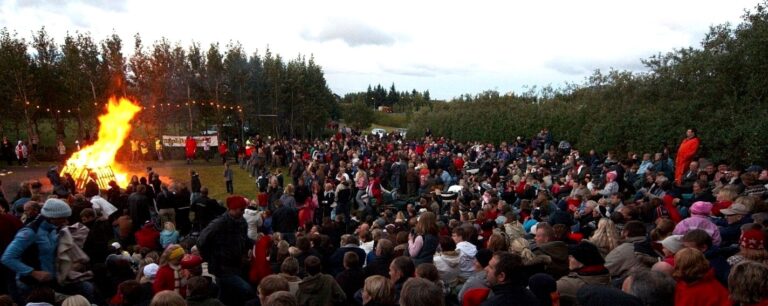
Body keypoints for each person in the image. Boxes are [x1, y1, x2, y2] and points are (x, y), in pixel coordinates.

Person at [2, 198, 94, 302]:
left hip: (53, 280)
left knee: (87, 288)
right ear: (53, 217)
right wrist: (34, 273)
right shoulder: (29, 232)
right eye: (63, 218)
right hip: (32, 284)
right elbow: (7, 258)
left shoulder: (52, 228)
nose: (66, 221)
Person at [198, 195, 254, 305]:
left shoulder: (241, 222)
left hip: (237, 265)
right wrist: (210, 258)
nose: (243, 212)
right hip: (222, 268)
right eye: (241, 209)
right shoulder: (219, 224)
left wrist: (254, 244)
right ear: (232, 209)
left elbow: (244, 239)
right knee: (247, 290)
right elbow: (201, 241)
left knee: (226, 295)